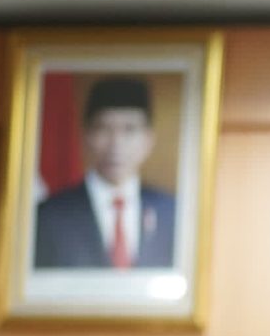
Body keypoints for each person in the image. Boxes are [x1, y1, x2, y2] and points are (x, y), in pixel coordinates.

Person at [32, 75, 177, 269]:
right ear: (86, 136)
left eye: (129, 130)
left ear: (148, 140)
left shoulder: (173, 213)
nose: (116, 144)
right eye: (104, 129)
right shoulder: (49, 216)